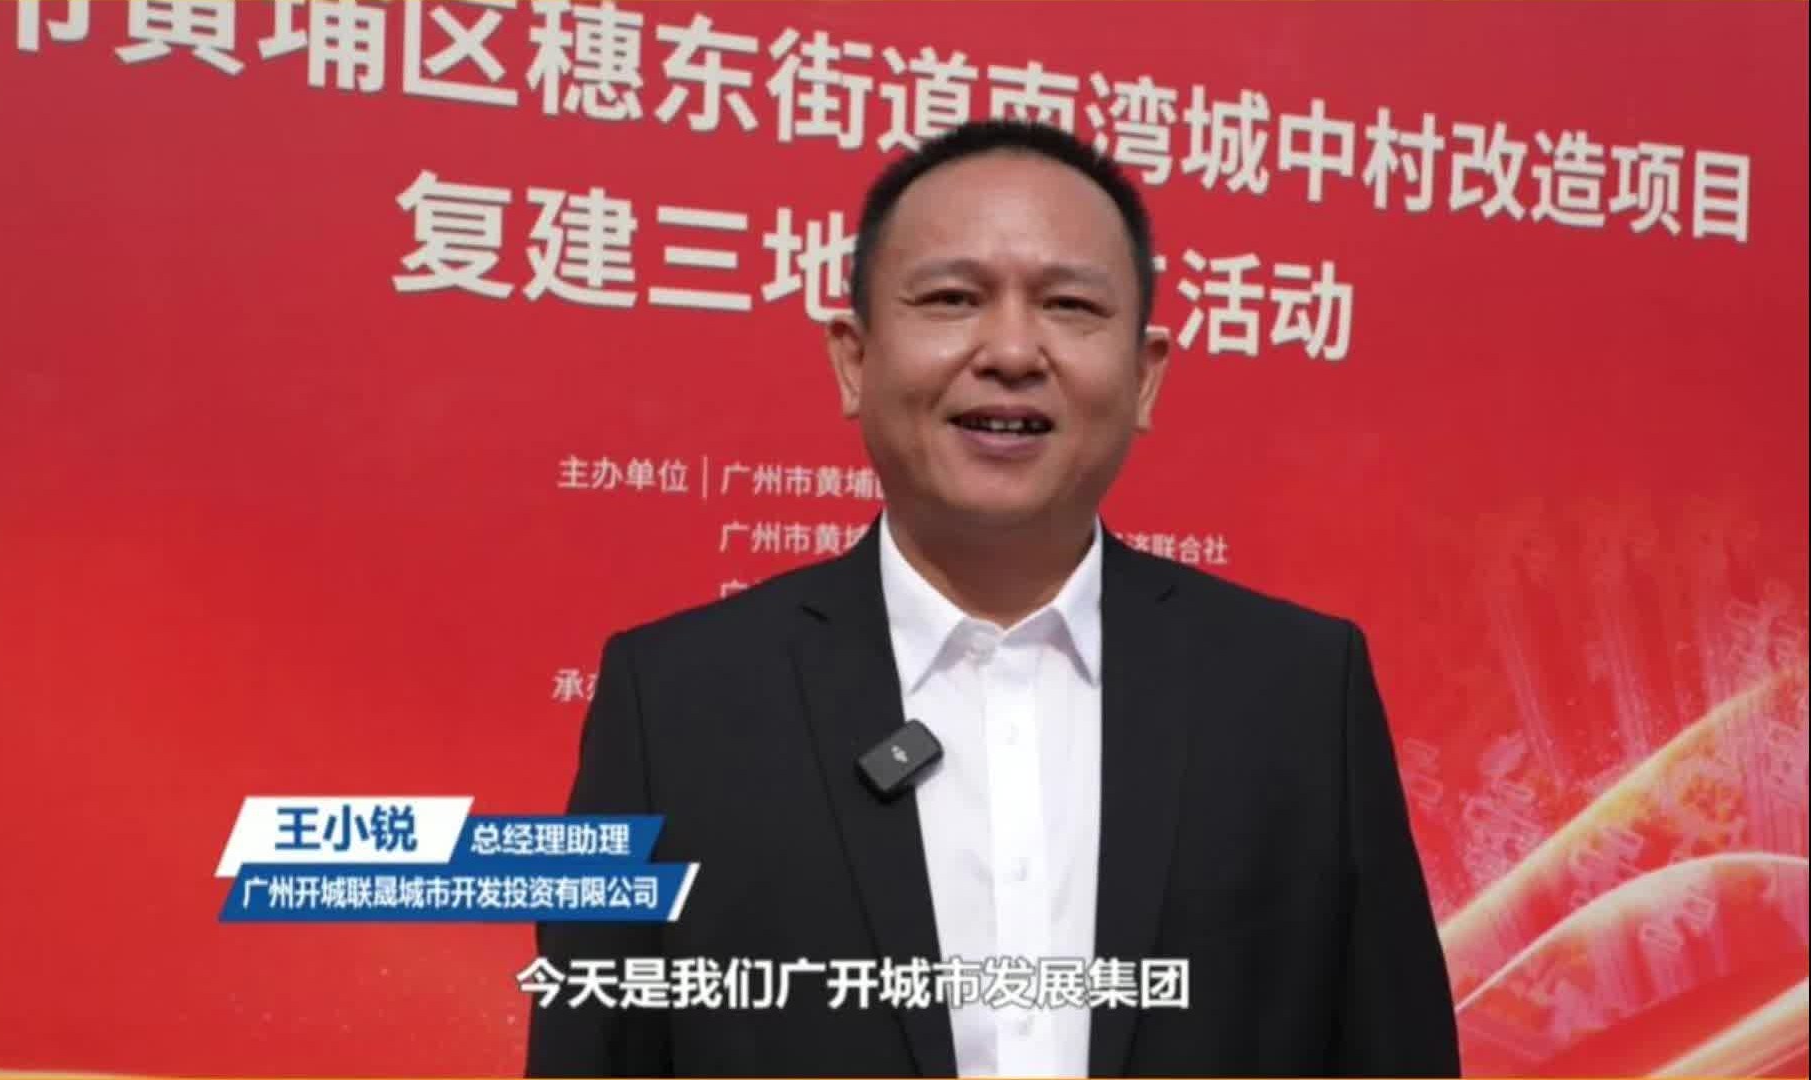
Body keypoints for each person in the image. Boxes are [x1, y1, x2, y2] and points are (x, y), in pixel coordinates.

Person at [527, 120, 1458, 1078]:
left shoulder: (1300, 694)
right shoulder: (670, 704)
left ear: (1145, 376)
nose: (1012, 350)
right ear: (854, 358)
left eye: (1069, 305)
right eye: (952, 299)